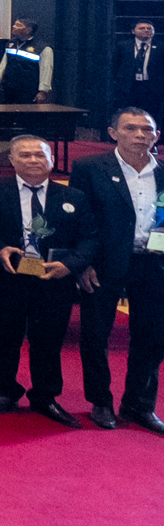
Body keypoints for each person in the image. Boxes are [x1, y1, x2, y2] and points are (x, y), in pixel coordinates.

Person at [0, 135, 99, 426]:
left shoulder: (74, 196)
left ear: (52, 160)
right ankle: (6, 391)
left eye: (40, 155)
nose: (33, 160)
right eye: (25, 155)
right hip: (10, 276)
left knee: (48, 340)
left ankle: (45, 396)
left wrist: (70, 265)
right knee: (5, 336)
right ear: (11, 160)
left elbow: (90, 238)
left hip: (54, 278)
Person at [69, 105, 160, 434]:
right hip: (103, 263)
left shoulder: (163, 173)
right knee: (95, 335)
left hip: (154, 264)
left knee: (153, 338)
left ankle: (139, 405)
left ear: (156, 136)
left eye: (147, 130)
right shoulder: (89, 168)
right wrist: (82, 264)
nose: (140, 135)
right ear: (112, 133)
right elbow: (79, 220)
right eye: (131, 128)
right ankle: (101, 402)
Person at [0, 20, 53, 104]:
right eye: (14, 24)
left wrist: (43, 91)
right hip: (8, 89)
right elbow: (4, 63)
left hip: (27, 91)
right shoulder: (11, 43)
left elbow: (46, 71)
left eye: (18, 25)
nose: (14, 26)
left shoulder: (43, 48)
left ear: (28, 30)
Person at [113, 22, 156, 117]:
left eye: (149, 28)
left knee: (152, 113)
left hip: (151, 87)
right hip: (129, 86)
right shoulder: (123, 45)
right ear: (133, 31)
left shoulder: (161, 47)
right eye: (142, 28)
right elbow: (115, 65)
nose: (146, 30)